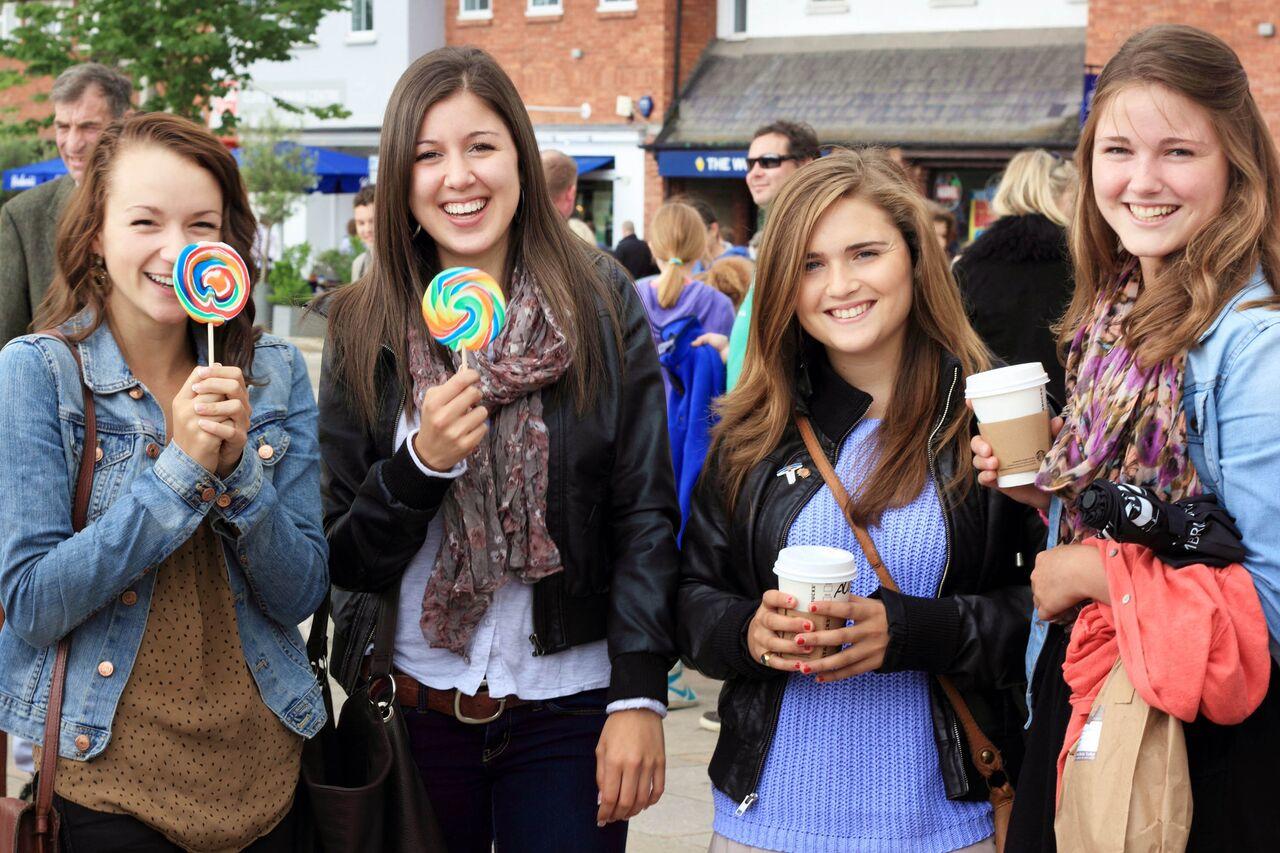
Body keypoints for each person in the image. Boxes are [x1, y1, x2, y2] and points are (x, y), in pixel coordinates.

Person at [319, 47, 679, 853]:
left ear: (518, 154)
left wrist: (639, 695)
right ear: (400, 179)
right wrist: (421, 466)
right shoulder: (359, 323)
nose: (459, 176)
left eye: (481, 146)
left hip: (570, 703)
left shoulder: (598, 299)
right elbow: (341, 551)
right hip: (411, 706)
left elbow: (644, 506)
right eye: (428, 154)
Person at [970, 26, 1280, 852]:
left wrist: (1098, 571)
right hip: (1093, 693)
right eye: (1118, 150)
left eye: (1178, 151)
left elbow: (1273, 610)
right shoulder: (1112, 312)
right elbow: (1162, 518)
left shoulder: (1253, 347)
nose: (1142, 181)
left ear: (1235, 164)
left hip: (1195, 751)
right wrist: (1051, 495)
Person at [678, 148, 1039, 852]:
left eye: (864, 253)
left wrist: (911, 630)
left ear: (913, 255)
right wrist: (747, 631)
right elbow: (692, 595)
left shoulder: (987, 417)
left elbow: (1048, 611)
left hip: (950, 825)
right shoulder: (754, 428)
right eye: (811, 264)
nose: (839, 284)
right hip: (764, 821)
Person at [0, 112, 328, 850]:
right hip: (106, 787)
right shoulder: (39, 372)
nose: (176, 249)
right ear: (96, 234)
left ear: (232, 243)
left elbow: (302, 590)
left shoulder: (272, 372)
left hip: (270, 775)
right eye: (145, 220)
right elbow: (30, 602)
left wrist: (240, 469)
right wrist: (179, 470)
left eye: (202, 225)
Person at [0, 63, 133, 347]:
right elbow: (6, 341)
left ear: (125, 122)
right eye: (63, 127)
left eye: (89, 127)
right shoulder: (22, 216)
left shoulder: (162, 207)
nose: (72, 144)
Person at [693, 121, 820, 395]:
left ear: (807, 165)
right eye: (750, 164)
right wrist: (730, 350)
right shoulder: (778, 238)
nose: (755, 173)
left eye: (769, 161)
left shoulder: (812, 241)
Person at [953, 150, 1077, 402]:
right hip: (1073, 409)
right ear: (1062, 194)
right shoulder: (1083, 262)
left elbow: (957, 350)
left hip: (995, 407)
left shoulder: (969, 265)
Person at [683, 197, 749, 273]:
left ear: (713, 229)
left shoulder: (740, 261)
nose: (690, 242)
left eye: (696, 234)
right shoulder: (689, 266)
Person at [350, 183, 376, 281]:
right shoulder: (358, 264)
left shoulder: (407, 260)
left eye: (373, 221)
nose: (367, 229)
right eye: (361, 223)